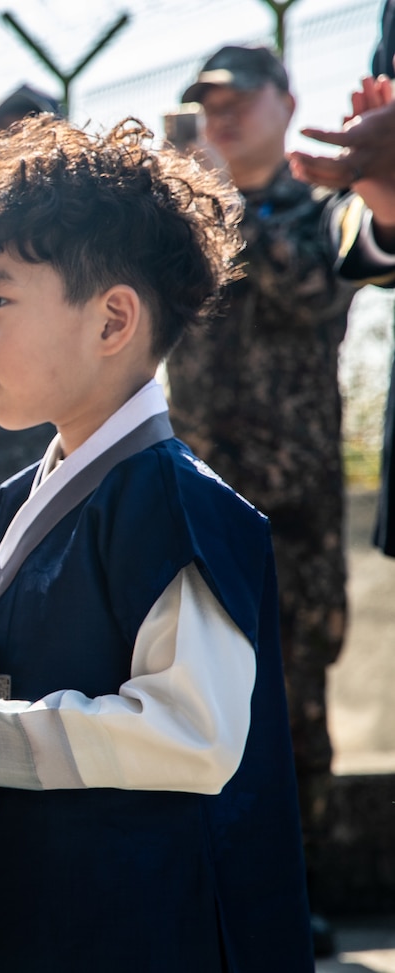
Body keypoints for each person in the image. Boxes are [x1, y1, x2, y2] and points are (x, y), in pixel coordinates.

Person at [0, 115, 311, 970]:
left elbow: (193, 733)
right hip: (30, 906)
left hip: (132, 926)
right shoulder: (19, 495)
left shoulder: (176, 503)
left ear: (112, 320)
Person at [164, 47, 395, 918]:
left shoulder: (322, 204)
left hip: (291, 513)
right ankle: (212, 897)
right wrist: (193, 203)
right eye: (204, 105)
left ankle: (291, 900)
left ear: (284, 102)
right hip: (195, 503)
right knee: (196, 700)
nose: (218, 117)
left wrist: (232, 201)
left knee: (293, 713)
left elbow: (316, 292)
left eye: (235, 100)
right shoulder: (190, 219)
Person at [290, 22, 395, 558]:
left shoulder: (295, 206)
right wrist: (388, 206)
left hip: (297, 507)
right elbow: (362, 223)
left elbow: (313, 288)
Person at [0, 85, 61, 487]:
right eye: (3, 138)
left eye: (31, 133)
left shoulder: (79, 245)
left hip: (61, 454)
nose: (16, 149)